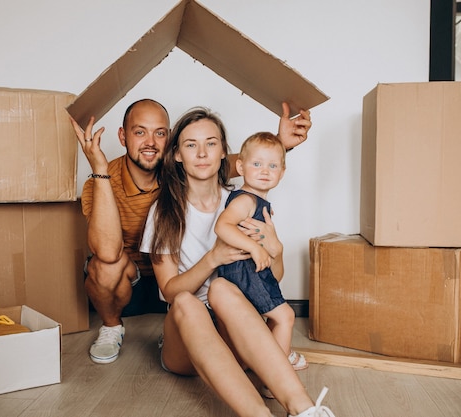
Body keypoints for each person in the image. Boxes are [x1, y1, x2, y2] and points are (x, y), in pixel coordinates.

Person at [70, 99, 312, 365]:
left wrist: (279, 143)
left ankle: (253, 354)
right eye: (140, 132)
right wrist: (100, 171)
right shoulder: (136, 193)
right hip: (145, 282)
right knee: (108, 267)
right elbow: (110, 253)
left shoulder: (233, 198)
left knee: (225, 297)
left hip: (203, 291)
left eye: (160, 133)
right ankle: (114, 327)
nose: (150, 142)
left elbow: (234, 163)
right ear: (123, 136)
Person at [140, 107, 334, 417]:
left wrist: (277, 249)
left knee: (221, 289)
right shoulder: (164, 212)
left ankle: (304, 409)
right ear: (177, 154)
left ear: (223, 153)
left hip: (234, 330)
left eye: (211, 143)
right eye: (191, 145)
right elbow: (169, 292)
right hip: (185, 338)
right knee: (189, 302)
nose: (202, 153)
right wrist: (213, 258)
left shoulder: (242, 199)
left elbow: (272, 280)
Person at [214, 131, 308, 382]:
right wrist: (254, 248)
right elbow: (222, 227)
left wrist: (267, 248)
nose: (265, 170)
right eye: (257, 164)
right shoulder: (245, 200)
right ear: (241, 167)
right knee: (285, 316)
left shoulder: (257, 201)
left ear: (282, 172)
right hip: (242, 270)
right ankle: (276, 376)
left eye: (273, 165)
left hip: (248, 270)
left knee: (270, 319)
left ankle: (273, 359)